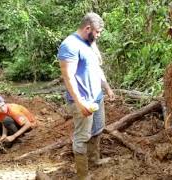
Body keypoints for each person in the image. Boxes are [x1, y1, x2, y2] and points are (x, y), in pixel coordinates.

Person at [57, 12, 115, 180]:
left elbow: (97, 69)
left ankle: (94, 160)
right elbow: (68, 77)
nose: (98, 35)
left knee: (98, 128)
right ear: (87, 28)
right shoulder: (69, 45)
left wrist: (107, 88)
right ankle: (83, 175)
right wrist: (79, 102)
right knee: (82, 137)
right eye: (97, 32)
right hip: (82, 100)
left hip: (96, 97)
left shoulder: (90, 43)